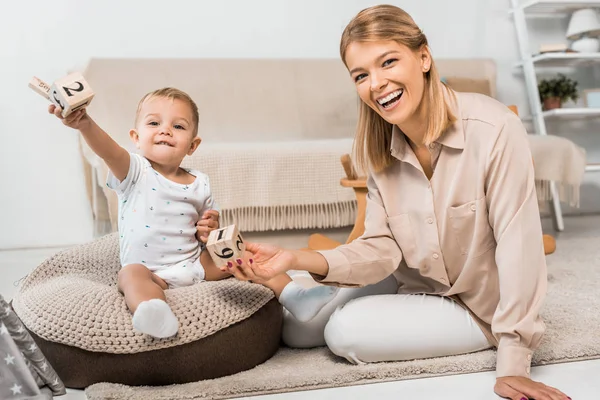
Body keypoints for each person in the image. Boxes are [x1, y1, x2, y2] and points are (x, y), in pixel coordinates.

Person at [221, 5, 570, 400]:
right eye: (361, 75)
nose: (377, 83)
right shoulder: (378, 149)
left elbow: (519, 249)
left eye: (388, 61)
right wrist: (294, 258)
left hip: (475, 304)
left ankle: (329, 298)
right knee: (298, 331)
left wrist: (514, 359)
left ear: (423, 57)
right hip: (414, 275)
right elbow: (382, 247)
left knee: (344, 331)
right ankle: (301, 287)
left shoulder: (494, 130)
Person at [48, 87, 338, 339]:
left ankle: (294, 296)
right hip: (153, 271)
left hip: (194, 263)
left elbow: (207, 229)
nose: (165, 130)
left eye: (178, 126)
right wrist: (84, 123)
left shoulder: (199, 182)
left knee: (244, 255)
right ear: (136, 137)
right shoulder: (135, 171)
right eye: (154, 123)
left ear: (192, 145)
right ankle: (153, 311)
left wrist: (211, 227)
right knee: (129, 274)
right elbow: (108, 151)